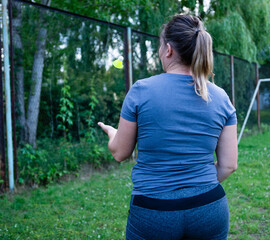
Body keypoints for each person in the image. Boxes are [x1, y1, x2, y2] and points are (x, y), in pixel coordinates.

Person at [98, 14, 238, 240]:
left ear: (169, 49)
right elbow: (229, 165)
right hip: (209, 208)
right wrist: (196, 184)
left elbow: (120, 153)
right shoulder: (221, 97)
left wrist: (112, 133)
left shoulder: (141, 90)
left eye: (160, 47)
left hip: (153, 212)